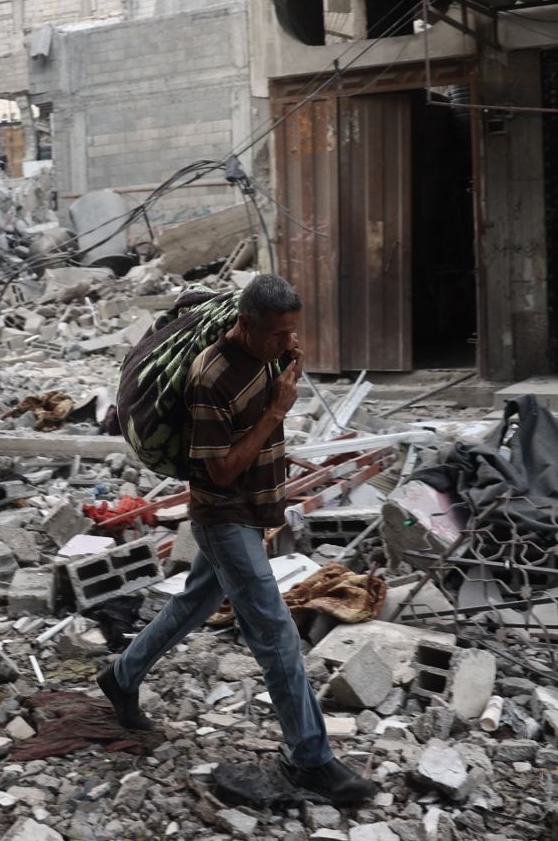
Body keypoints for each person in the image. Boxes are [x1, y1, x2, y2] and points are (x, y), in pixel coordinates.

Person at [96, 274, 378, 806]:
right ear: (245, 326)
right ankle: (310, 759)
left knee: (193, 603)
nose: (290, 345)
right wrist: (277, 410)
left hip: (252, 508)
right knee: (275, 635)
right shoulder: (213, 377)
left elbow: (277, 369)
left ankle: (121, 675)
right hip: (222, 513)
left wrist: (283, 370)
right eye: (279, 336)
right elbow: (218, 472)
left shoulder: (270, 349)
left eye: (295, 333)